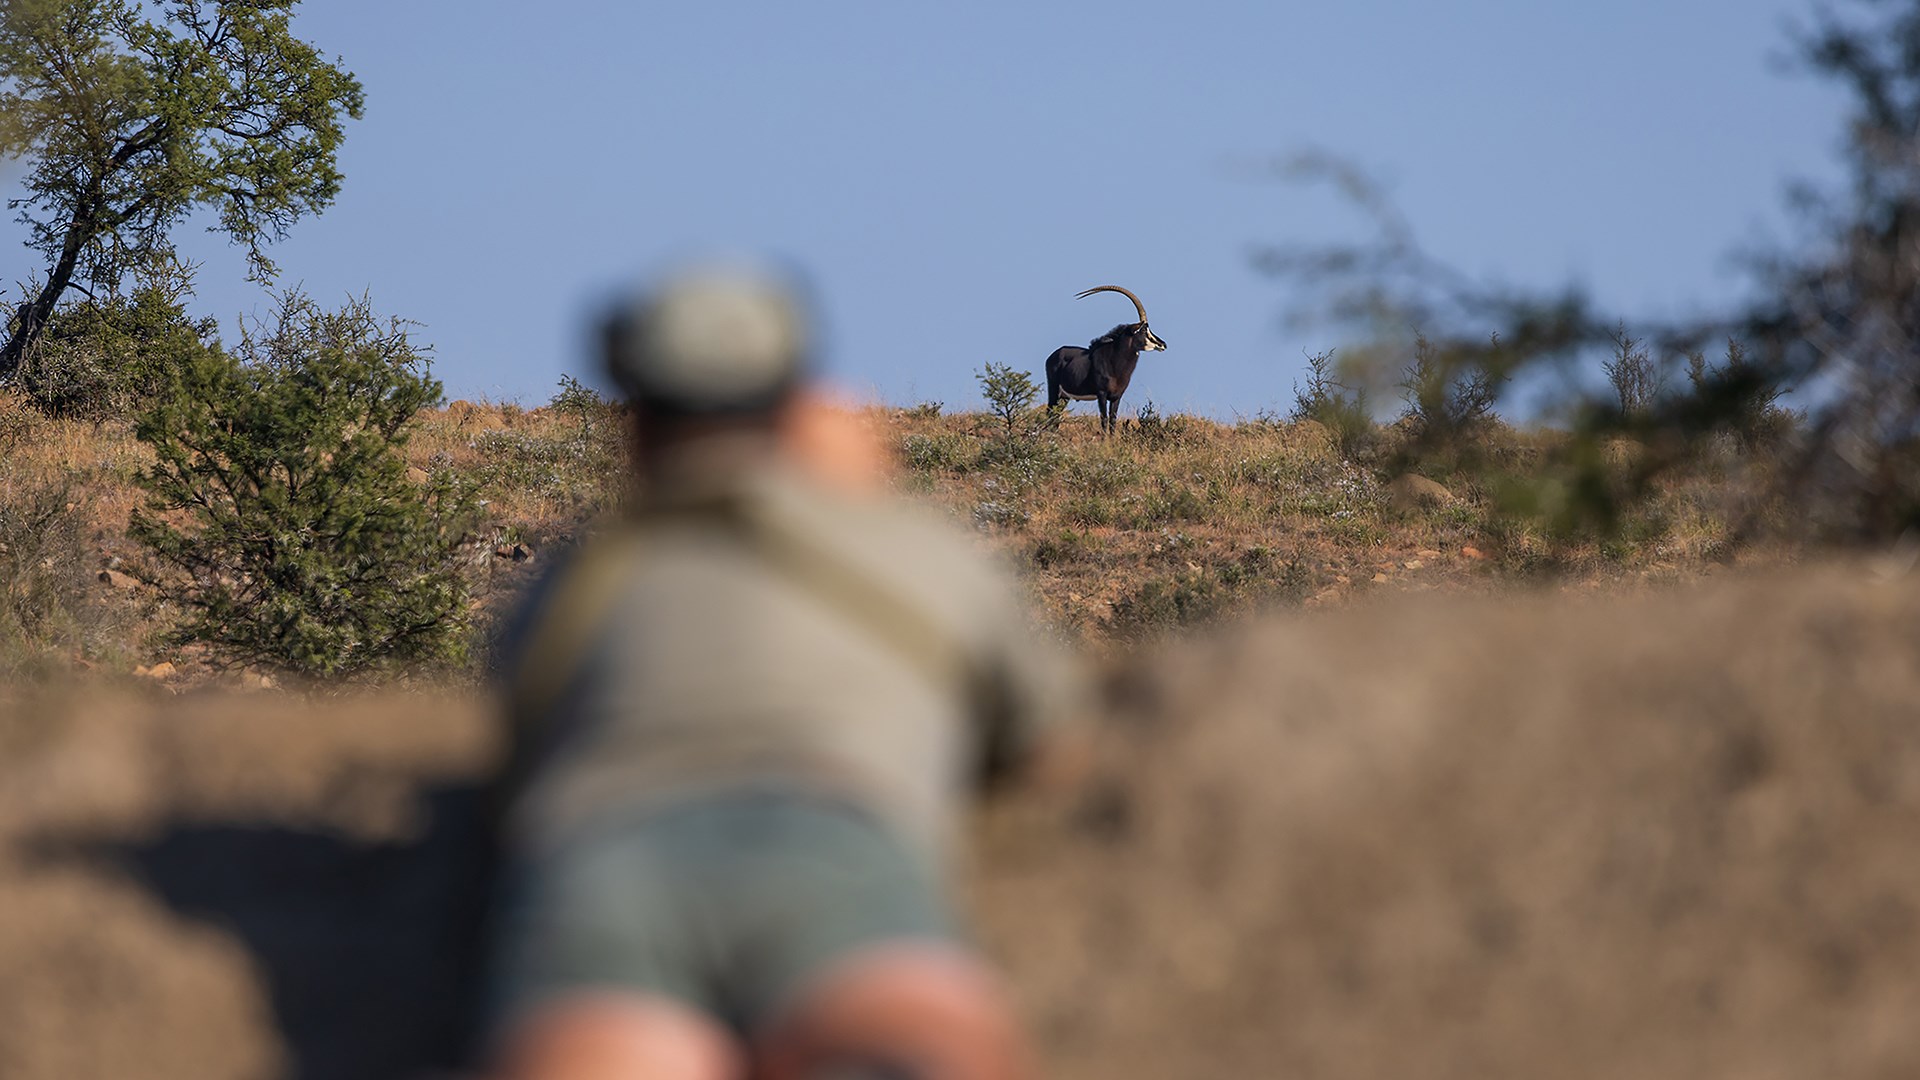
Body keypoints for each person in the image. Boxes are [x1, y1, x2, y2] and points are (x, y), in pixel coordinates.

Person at [481, 264, 1082, 1080]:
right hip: (837, 844)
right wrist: (870, 502)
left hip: (608, 859)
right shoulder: (918, 548)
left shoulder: (572, 576)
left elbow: (516, 740)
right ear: (805, 406)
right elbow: (1051, 744)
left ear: (637, 428)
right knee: (911, 1051)